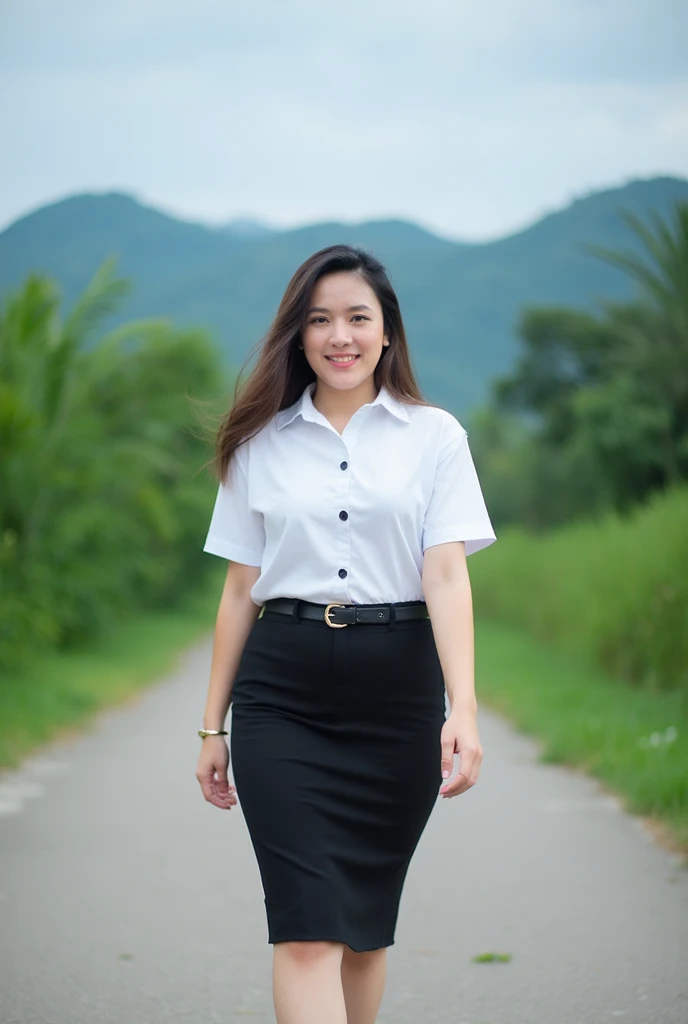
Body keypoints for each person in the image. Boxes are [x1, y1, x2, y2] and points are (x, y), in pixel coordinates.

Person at [195, 243, 496, 1024]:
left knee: (362, 927)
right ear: (298, 336)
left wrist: (463, 705)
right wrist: (210, 726)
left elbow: (446, 575)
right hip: (281, 696)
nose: (340, 336)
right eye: (320, 320)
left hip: (396, 696)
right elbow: (238, 592)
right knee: (305, 931)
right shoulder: (258, 443)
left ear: (387, 331)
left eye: (358, 318)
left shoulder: (436, 438)